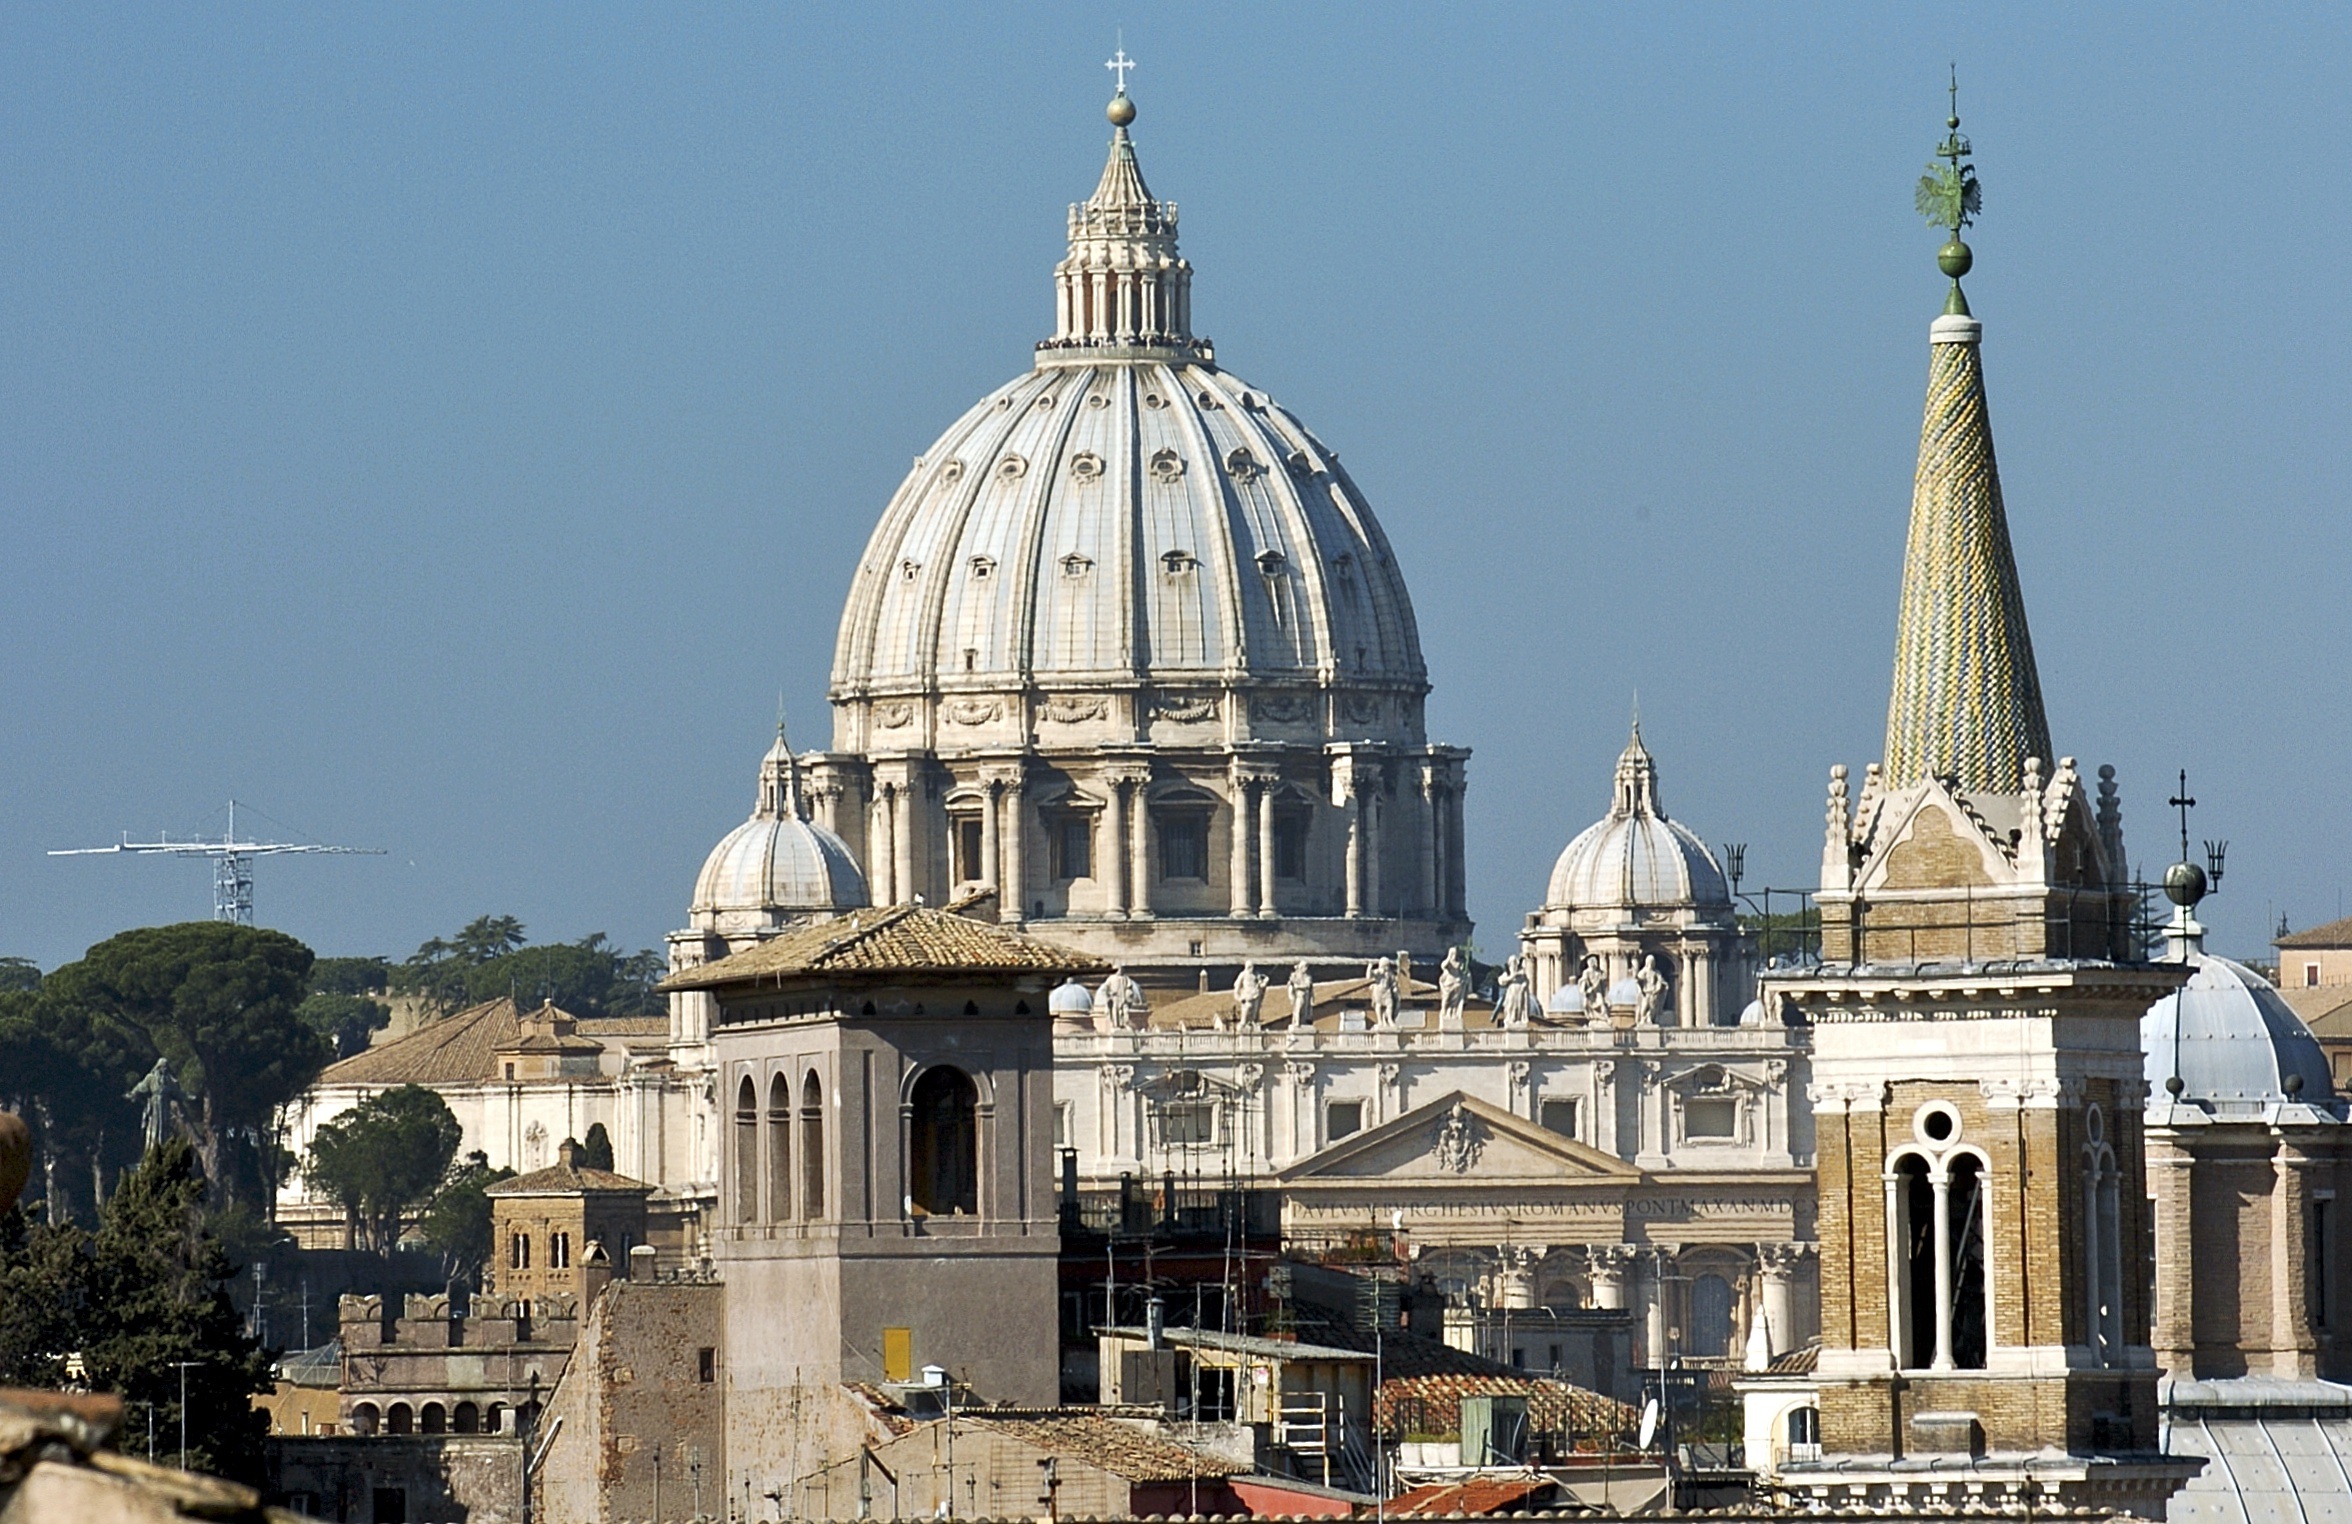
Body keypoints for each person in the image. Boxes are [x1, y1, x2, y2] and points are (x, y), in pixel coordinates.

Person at [1093, 966, 1148, 1031]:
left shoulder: (1126, 979)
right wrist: (1109, 995)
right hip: (1115, 999)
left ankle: (1124, 1024)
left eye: (1121, 969)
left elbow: (1129, 987)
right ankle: (1116, 1025)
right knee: (1115, 1012)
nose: (1120, 971)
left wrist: (1128, 995)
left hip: (1123, 999)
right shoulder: (1111, 978)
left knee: (1125, 1012)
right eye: (1118, 969)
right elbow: (1105, 989)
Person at [1437, 946, 1468, 1031]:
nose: (1454, 955)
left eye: (1455, 953)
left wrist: (1464, 976)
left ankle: (1453, 1013)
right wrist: (1448, 959)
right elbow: (1443, 966)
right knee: (1446, 999)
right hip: (1448, 983)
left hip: (1457, 983)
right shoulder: (1447, 963)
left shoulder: (1458, 963)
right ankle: (1444, 1013)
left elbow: (1462, 972)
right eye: (1453, 953)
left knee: (1455, 1001)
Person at [1636, 954, 1672, 1026]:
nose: (1651, 964)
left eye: (1652, 962)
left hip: (1653, 993)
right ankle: (1643, 1018)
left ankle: (1649, 1018)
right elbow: (1639, 978)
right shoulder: (1644, 971)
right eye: (1649, 962)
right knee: (1644, 1007)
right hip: (1646, 993)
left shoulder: (1656, 972)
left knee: (1652, 1007)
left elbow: (1660, 981)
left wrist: (1658, 988)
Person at [1232, 962, 1269, 1029]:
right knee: (1246, 1011)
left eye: (1251, 967)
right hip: (1247, 997)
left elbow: (1261, 985)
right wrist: (1238, 997)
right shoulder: (1243, 975)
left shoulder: (1256, 974)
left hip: (1256, 995)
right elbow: (1237, 985)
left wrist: (1265, 981)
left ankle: (1254, 1022)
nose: (1251, 969)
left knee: (1255, 1012)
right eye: (1249, 967)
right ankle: (1243, 1024)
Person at [1367, 957, 1399, 1029]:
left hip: (1387, 990)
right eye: (1385, 966)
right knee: (1378, 1005)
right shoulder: (1378, 972)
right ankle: (1380, 1021)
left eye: (1387, 966)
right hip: (1378, 990)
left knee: (1390, 1004)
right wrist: (1369, 967)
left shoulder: (1390, 974)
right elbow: (1369, 976)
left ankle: (1390, 1019)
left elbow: (1393, 982)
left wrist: (1394, 988)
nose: (1386, 967)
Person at [1286, 960, 1316, 1026]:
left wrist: (1312, 997)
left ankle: (1303, 1022)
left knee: (1305, 1010)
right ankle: (1297, 1021)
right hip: (1299, 995)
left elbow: (1309, 986)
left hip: (1306, 995)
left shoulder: (1307, 977)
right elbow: (1291, 985)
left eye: (1306, 967)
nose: (1306, 968)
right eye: (1305, 967)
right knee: (1298, 1008)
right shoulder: (1294, 975)